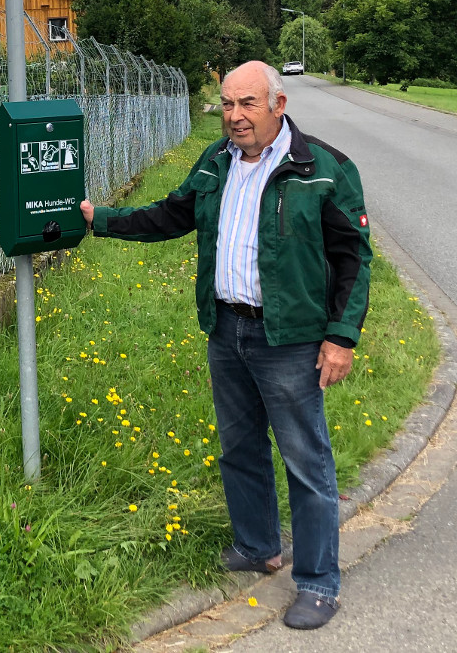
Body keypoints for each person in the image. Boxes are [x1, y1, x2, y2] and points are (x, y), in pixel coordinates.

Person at [79, 61, 372, 630]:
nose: (234, 117)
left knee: (306, 461)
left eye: (247, 105)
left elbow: (353, 258)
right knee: (239, 447)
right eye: (227, 105)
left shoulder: (323, 169)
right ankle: (257, 545)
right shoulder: (216, 161)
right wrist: (103, 221)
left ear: (278, 105)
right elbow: (173, 215)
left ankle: (317, 582)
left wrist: (341, 336)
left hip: (289, 337)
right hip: (226, 329)